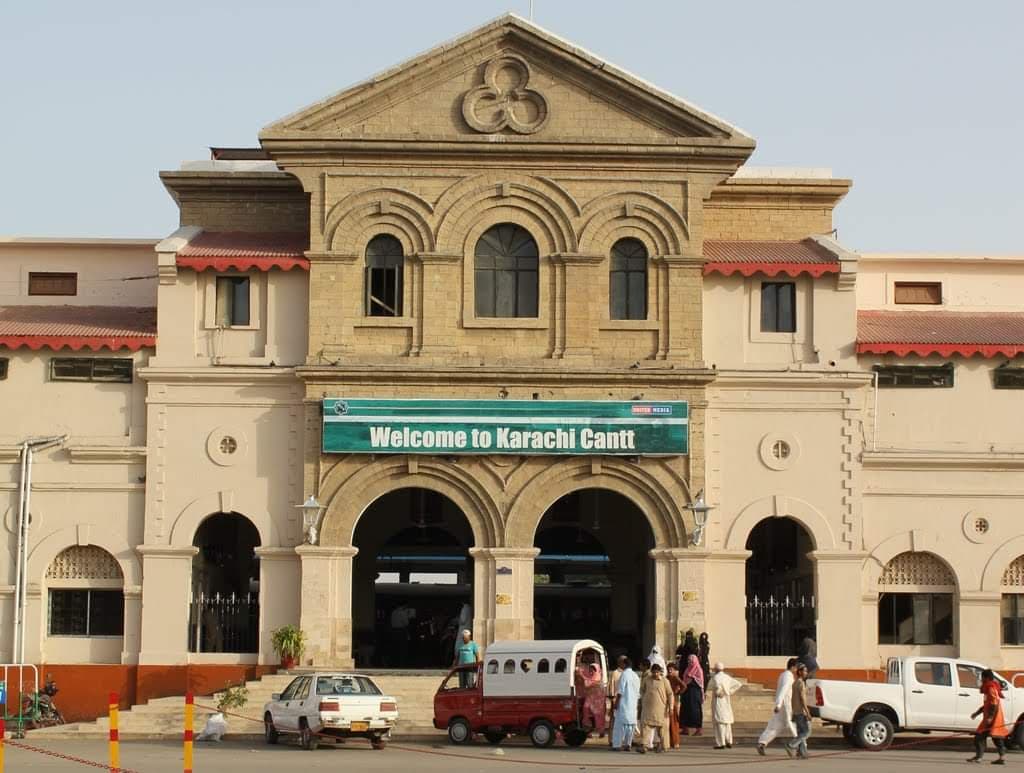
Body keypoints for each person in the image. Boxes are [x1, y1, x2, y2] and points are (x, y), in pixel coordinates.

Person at [757, 658, 799, 755]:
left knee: (776, 725)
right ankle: (797, 746)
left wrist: (778, 704)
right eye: (796, 667)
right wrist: (779, 704)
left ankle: (762, 743)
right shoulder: (788, 676)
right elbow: (783, 690)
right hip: (786, 704)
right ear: (792, 667)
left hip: (782, 704)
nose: (797, 670)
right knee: (793, 724)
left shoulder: (783, 675)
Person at [967, 669, 1009, 764]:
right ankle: (1001, 758)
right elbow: (987, 704)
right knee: (995, 738)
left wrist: (990, 717)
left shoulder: (990, 687)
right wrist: (977, 713)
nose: (981, 680)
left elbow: (994, 704)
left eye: (982, 677)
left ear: (986, 678)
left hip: (993, 717)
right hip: (991, 716)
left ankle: (979, 757)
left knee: (980, 737)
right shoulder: (988, 687)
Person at [637, 663, 672, 753]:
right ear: (651, 672)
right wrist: (642, 700)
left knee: (662, 729)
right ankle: (644, 746)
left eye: (657, 672)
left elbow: (670, 694)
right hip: (647, 708)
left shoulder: (665, 681)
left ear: (660, 672)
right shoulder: (646, 679)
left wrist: (670, 707)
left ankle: (665, 746)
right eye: (654, 672)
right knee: (645, 727)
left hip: (661, 708)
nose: (655, 674)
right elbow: (641, 690)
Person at [706, 662, 741, 749]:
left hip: (718, 701)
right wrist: (728, 692)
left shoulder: (716, 677)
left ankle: (721, 743)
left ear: (716, 669)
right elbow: (738, 684)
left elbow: (717, 687)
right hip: (726, 701)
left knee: (719, 722)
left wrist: (719, 692)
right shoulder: (727, 677)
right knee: (727, 722)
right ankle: (729, 741)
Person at [612, 658, 640, 752]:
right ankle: (628, 744)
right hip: (633, 704)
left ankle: (617, 745)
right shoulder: (636, 675)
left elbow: (621, 691)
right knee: (630, 725)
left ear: (624, 664)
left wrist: (616, 703)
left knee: (620, 725)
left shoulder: (624, 674)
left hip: (624, 703)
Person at [576, 650, 606, 736]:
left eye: (593, 670)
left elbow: (588, 683)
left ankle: (601, 731)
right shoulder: (590, 674)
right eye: (590, 670)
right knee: (585, 709)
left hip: (597, 701)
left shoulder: (597, 676)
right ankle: (588, 730)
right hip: (591, 698)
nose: (591, 671)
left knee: (598, 715)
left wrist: (581, 676)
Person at [786, 663, 812, 759]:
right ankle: (791, 745)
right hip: (801, 712)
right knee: (806, 732)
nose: (806, 673)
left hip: (796, 711)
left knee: (801, 732)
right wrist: (808, 712)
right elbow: (802, 699)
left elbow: (793, 698)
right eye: (805, 671)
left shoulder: (795, 683)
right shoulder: (801, 683)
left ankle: (802, 752)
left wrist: (793, 711)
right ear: (800, 672)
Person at [679, 653, 705, 735]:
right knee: (685, 710)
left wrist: (687, 682)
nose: (689, 662)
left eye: (691, 660)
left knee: (695, 711)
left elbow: (697, 681)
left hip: (695, 693)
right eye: (688, 660)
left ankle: (698, 729)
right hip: (687, 693)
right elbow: (685, 679)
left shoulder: (698, 669)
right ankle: (685, 729)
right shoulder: (687, 669)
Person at [607, 655, 626, 747]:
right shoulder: (615, 673)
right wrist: (613, 700)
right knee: (613, 721)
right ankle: (611, 740)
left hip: (625, 700)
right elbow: (611, 687)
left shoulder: (627, 673)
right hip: (616, 700)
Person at [666, 662, 684, 749]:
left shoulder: (675, 678)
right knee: (668, 723)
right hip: (667, 702)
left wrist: (678, 693)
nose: (669, 671)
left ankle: (676, 742)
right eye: (668, 669)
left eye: (671, 669)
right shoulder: (666, 678)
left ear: (674, 670)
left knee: (674, 722)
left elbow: (684, 686)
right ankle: (669, 741)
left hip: (674, 702)